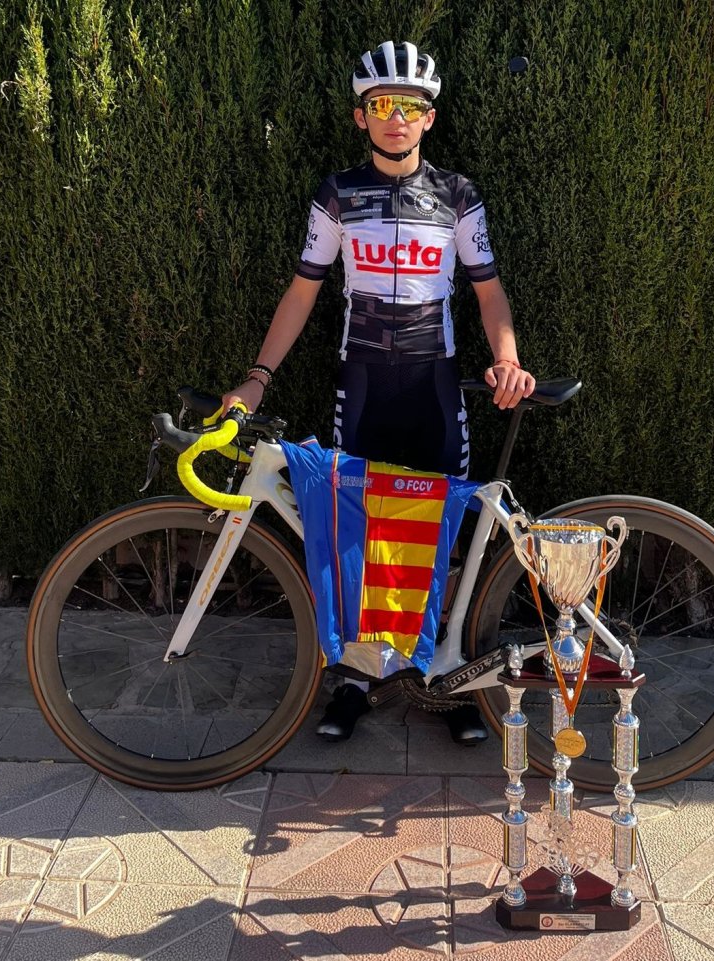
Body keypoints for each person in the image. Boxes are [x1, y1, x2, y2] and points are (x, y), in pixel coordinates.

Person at [222, 40, 536, 744]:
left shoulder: (457, 194)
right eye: (382, 105)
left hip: (432, 386)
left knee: (443, 539)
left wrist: (508, 359)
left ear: (430, 117)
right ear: (360, 116)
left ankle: (446, 678)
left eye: (411, 106)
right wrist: (257, 377)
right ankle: (359, 681)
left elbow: (488, 292)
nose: (397, 117)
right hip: (363, 384)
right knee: (359, 537)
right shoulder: (337, 194)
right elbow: (303, 292)